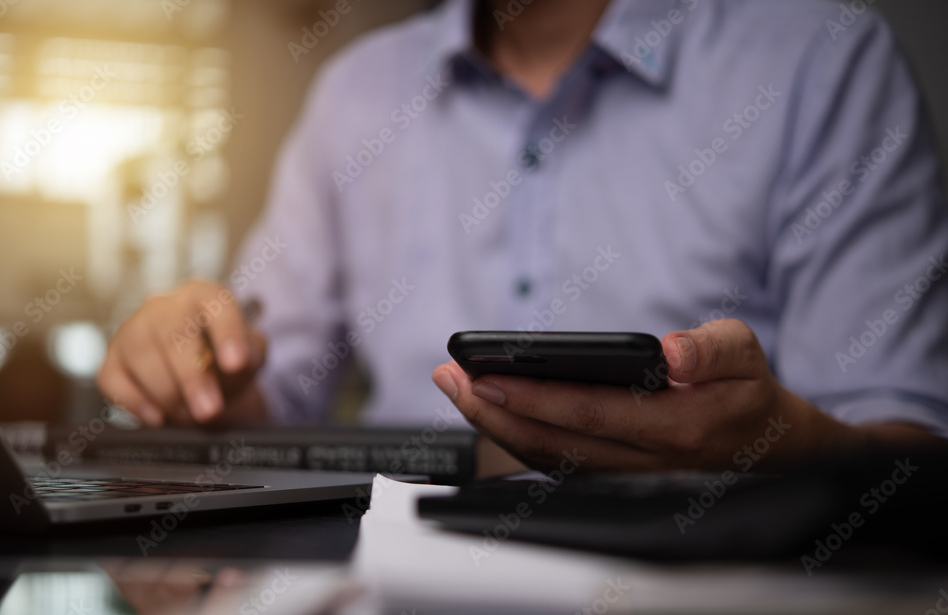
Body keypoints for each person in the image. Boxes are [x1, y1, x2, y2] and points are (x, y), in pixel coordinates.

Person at [98, 0, 948, 473]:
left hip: (726, 606)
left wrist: (779, 447)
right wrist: (195, 371)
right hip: (388, 594)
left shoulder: (823, 60)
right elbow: (267, 401)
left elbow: (910, 456)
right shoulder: (354, 92)